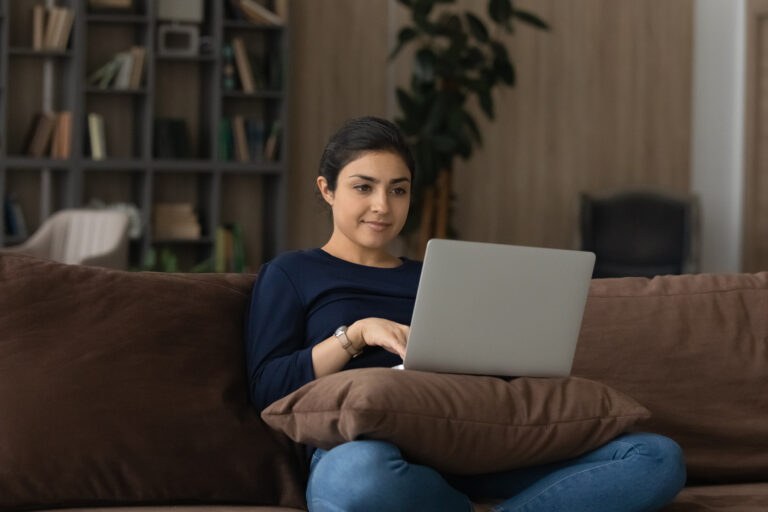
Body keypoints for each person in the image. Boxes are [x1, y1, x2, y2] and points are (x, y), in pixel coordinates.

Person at [244, 116, 687, 512]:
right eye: (364, 187)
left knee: (656, 457)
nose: (383, 205)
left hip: (468, 447)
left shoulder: (442, 274)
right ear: (327, 189)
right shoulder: (292, 273)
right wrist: (354, 335)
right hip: (366, 452)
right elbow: (268, 388)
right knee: (357, 478)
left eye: (398, 190)